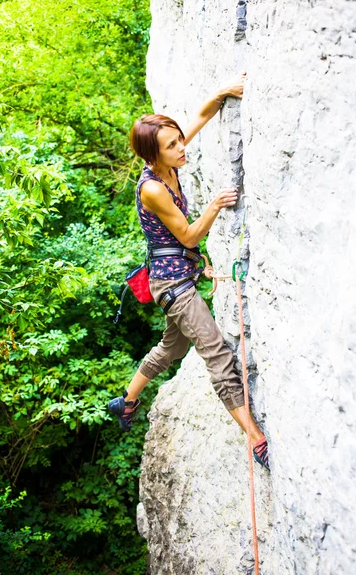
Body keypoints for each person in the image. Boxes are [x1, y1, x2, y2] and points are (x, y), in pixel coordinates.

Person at [108, 72, 269, 471]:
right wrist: (214, 205)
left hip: (177, 276)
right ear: (153, 154)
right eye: (172, 145)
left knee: (173, 347)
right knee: (215, 352)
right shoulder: (153, 188)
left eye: (179, 139)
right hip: (173, 284)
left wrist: (222, 93)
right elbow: (191, 236)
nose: (182, 148)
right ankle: (254, 435)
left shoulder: (169, 160)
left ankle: (125, 401)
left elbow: (197, 117)